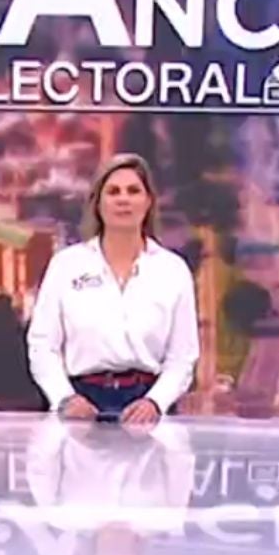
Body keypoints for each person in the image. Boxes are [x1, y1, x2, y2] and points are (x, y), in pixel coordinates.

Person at [27, 153, 199, 427]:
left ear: (148, 201)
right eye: (113, 192)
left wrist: (155, 402)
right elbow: (42, 345)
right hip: (80, 405)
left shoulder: (172, 270)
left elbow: (182, 357)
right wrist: (65, 398)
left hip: (148, 408)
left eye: (133, 191)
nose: (123, 199)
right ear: (98, 203)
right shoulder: (66, 265)